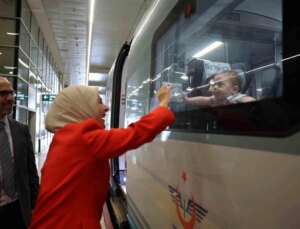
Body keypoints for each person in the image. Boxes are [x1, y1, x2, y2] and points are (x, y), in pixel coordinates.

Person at [29, 84, 175, 229]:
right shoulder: (82, 137)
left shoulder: (65, 137)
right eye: (99, 102)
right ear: (80, 107)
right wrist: (163, 105)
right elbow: (135, 134)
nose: (106, 107)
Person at [0, 76, 39, 229]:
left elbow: (31, 172)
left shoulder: (21, 130)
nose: (10, 98)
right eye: (3, 93)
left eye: (12, 93)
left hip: (18, 209)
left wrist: (35, 206)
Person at [182, 70, 256, 107]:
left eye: (220, 84)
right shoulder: (215, 98)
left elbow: (248, 100)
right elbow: (203, 99)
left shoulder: (236, 97)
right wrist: (188, 100)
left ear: (234, 90)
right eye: (214, 84)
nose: (215, 87)